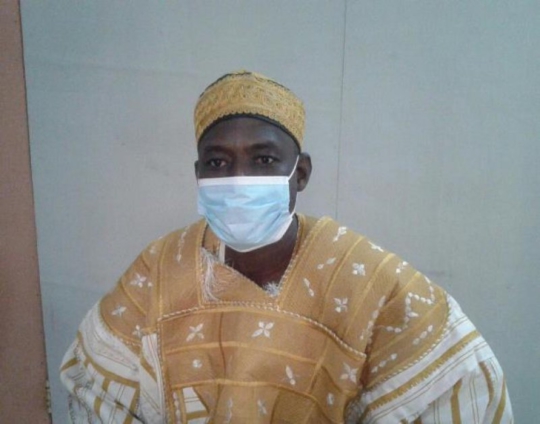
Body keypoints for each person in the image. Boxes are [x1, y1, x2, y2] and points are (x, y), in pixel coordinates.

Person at [60, 71, 512, 423]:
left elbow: (455, 389)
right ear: (198, 174)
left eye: (263, 160)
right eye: (218, 162)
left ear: (301, 173)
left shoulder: (366, 283)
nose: (239, 179)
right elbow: (96, 386)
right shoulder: (161, 270)